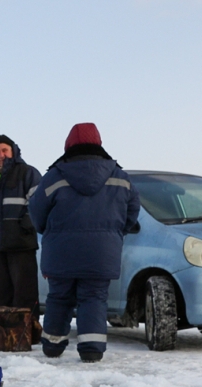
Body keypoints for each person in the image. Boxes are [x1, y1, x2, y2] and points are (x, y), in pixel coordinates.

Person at [28, 123, 140, 362]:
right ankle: (91, 349)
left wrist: (48, 231)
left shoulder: (54, 177)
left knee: (59, 296)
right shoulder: (120, 176)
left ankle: (52, 346)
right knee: (94, 297)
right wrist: (114, 234)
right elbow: (132, 212)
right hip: (101, 253)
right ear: (98, 143)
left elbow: (37, 212)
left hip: (61, 252)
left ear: (68, 145)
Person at [0, 135, 41, 312]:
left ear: (13, 150)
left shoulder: (28, 173)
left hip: (22, 245)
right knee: (1, 295)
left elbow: (38, 203)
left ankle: (25, 334)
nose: (1, 155)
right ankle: (5, 336)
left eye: (4, 150)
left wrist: (24, 227)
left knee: (24, 295)